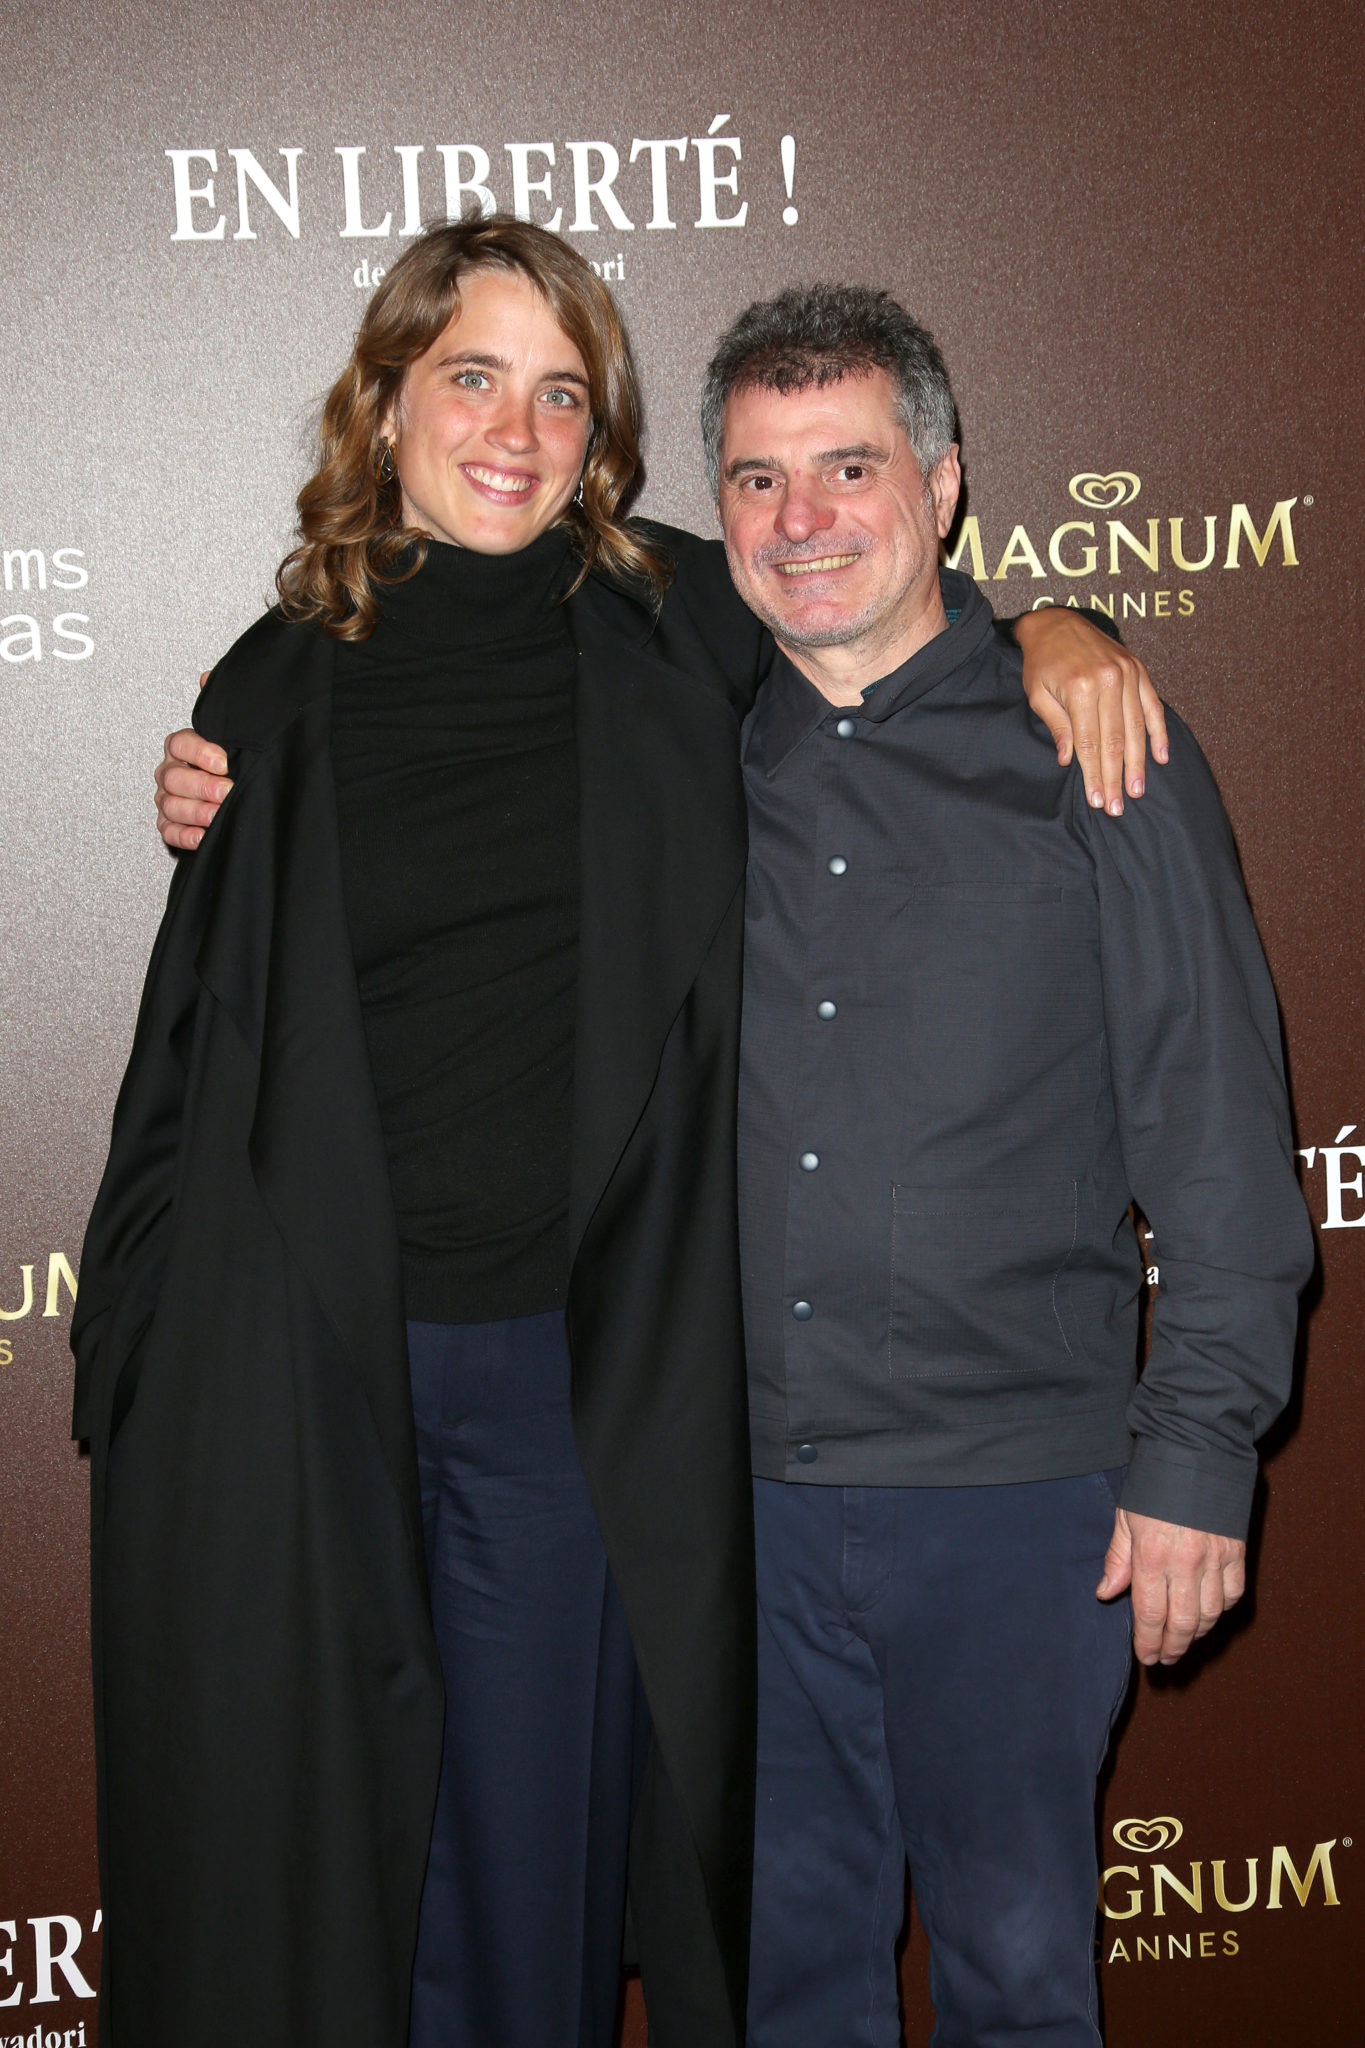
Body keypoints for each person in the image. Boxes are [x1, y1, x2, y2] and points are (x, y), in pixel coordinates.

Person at [124, 220, 1159, 2048]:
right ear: (387, 403)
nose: (514, 430)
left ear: (598, 434)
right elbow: (207, 1051)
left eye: (561, 393)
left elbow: (887, 612)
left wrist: (1063, 630)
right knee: (324, 1867)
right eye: (472, 377)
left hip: (559, 1379)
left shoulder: (680, 620)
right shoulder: (268, 684)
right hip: (311, 1373)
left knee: (525, 1870)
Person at [689, 284, 1312, 2046]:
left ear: (944, 482)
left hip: (1018, 1501)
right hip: (727, 1501)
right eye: (756, 479)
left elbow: (1214, 1131)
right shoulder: (677, 749)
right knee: (781, 1986)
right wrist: (248, 754)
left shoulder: (1095, 750)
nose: (800, 520)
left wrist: (1198, 1454)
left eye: (848, 467)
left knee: (1020, 1982)